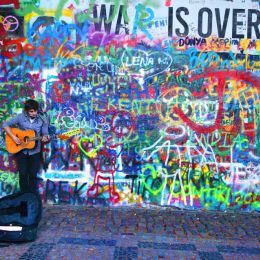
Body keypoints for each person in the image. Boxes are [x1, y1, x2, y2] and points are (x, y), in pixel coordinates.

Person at [3, 99, 50, 193]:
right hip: (22, 151)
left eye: (36, 111)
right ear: (26, 111)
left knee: (33, 175)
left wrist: (46, 137)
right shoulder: (20, 117)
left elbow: (45, 134)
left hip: (35, 151)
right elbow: (5, 124)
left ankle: (31, 198)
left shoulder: (42, 120)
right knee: (23, 174)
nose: (34, 113)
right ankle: (24, 197)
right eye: (31, 111)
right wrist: (13, 137)